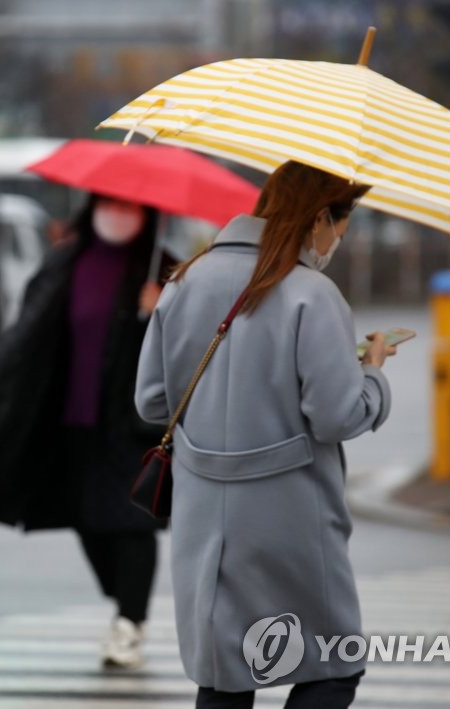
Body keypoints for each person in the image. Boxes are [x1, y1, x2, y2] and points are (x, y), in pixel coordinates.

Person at [134, 161, 395, 708]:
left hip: (204, 511)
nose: (334, 245)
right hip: (291, 514)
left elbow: (153, 400)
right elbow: (336, 415)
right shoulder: (311, 294)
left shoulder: (184, 280)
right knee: (329, 665)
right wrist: (370, 370)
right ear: (321, 217)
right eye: (339, 231)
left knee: (226, 674)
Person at [0, 193, 169, 669]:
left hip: (131, 422)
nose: (118, 214)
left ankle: (130, 621)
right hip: (68, 416)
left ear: (148, 214)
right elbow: (30, 328)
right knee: (88, 518)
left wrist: (155, 313)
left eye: (131, 206)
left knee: (131, 522)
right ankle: (124, 600)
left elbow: (185, 345)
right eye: (110, 203)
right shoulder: (66, 262)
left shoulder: (163, 270)